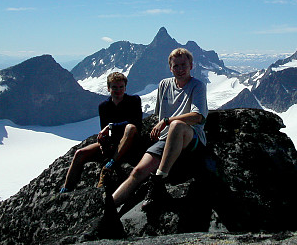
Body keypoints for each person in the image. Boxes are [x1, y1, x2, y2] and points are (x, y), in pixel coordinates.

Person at [111, 47, 208, 211]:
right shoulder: (164, 84)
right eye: (176, 66)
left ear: (191, 65)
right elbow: (159, 113)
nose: (180, 69)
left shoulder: (198, 86)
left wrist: (167, 121)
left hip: (191, 138)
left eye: (183, 64)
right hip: (166, 140)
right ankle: (109, 206)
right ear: (170, 68)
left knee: (176, 125)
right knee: (138, 171)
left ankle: (157, 182)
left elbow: (198, 117)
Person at [60, 72, 142, 192]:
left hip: (131, 142)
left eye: (121, 87)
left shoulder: (134, 101)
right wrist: (103, 142)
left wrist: (112, 127)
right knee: (79, 153)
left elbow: (136, 124)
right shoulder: (104, 106)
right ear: (108, 88)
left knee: (130, 128)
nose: (118, 90)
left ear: (125, 87)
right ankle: (66, 189)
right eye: (114, 87)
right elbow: (104, 130)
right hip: (113, 143)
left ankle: (111, 163)